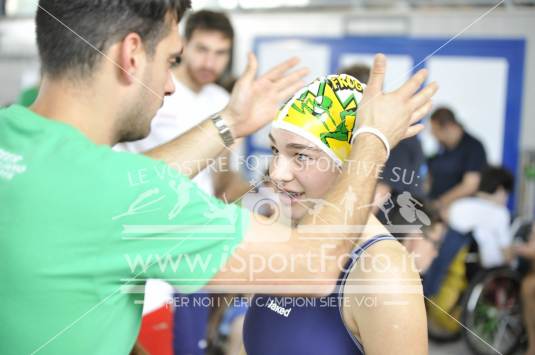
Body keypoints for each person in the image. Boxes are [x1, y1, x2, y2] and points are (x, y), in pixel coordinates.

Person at [0, 0, 437, 353]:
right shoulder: (279, 240)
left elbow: (123, 183)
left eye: (300, 155)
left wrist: (229, 121)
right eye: (173, 60)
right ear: (130, 54)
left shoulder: (19, 144)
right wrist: (374, 139)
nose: (172, 86)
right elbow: (314, 267)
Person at [243, 74, 428, 355]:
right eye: (275, 150)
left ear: (351, 165)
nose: (276, 174)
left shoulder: (383, 271)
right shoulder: (284, 235)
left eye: (301, 156)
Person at [113, 10, 248, 355]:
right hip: (143, 242)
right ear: (184, 45)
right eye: (202, 49)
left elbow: (222, 178)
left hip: (195, 246)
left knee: (192, 345)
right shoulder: (152, 91)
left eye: (220, 53)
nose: (209, 61)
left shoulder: (222, 101)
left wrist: (266, 189)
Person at [340, 63, 425, 225]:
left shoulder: (388, 128)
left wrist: (347, 228)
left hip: (394, 227)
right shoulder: (367, 127)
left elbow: (381, 191)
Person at [447, 166, 514, 268]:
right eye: (507, 194)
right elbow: (506, 253)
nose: (506, 199)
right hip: (488, 274)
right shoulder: (500, 213)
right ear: (500, 189)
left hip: (453, 270)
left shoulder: (458, 205)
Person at [427, 107, 488, 212]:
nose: (433, 134)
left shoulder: (473, 147)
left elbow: (470, 185)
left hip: (459, 212)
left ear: (449, 127)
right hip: (434, 208)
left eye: (435, 130)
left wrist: (440, 203)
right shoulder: (442, 148)